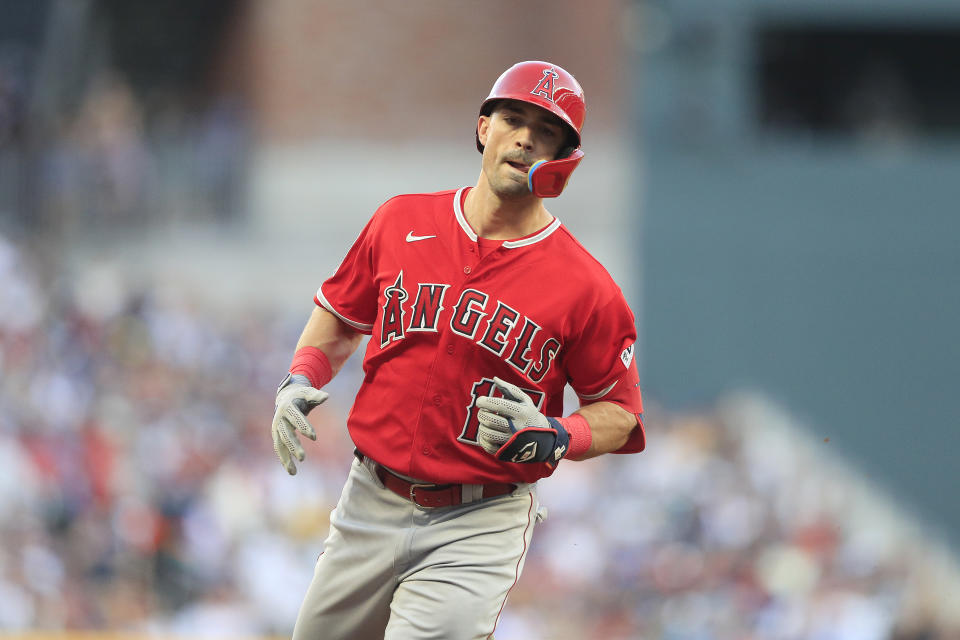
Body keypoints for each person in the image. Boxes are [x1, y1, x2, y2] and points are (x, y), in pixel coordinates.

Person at [271, 60, 646, 640]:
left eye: (546, 132)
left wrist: (558, 433)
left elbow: (621, 413)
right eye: (513, 119)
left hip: (479, 518)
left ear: (564, 164)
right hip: (370, 498)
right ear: (482, 129)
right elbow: (342, 315)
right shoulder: (402, 220)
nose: (524, 139)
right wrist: (300, 376)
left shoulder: (587, 287)